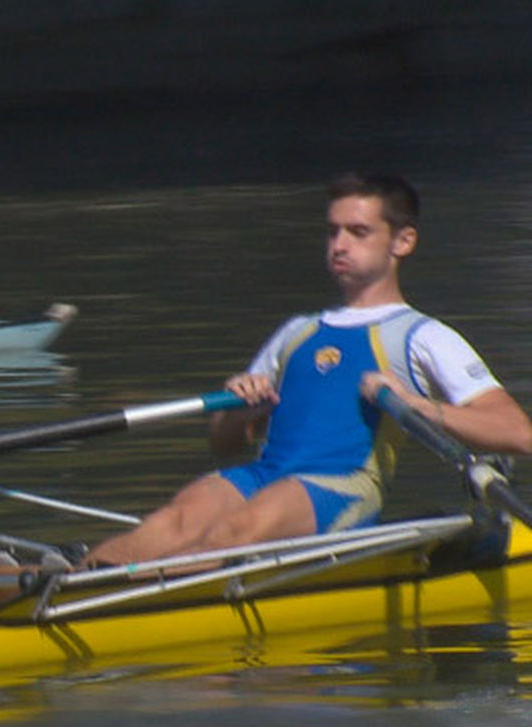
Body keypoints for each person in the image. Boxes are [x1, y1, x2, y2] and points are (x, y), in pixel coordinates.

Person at [82, 172, 532, 568]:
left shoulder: (423, 337)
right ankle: (74, 580)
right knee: (170, 522)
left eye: (358, 232)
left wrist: (416, 405)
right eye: (333, 231)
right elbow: (223, 443)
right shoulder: (296, 332)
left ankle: (134, 603)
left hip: (340, 487)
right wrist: (241, 408)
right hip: (265, 473)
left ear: (403, 241)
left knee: (232, 533)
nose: (339, 245)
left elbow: (517, 433)